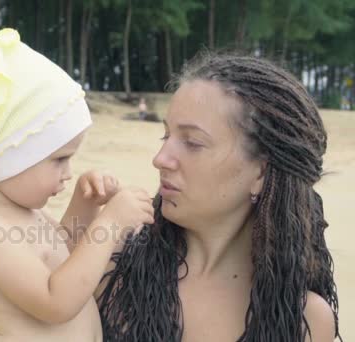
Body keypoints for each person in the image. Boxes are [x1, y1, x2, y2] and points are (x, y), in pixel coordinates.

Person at [97, 53, 341, 341]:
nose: (160, 158)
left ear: (261, 173)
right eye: (166, 137)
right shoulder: (110, 268)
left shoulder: (302, 322)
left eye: (192, 142)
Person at [0, 28, 154, 341]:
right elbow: (55, 301)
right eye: (59, 159)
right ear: (9, 155)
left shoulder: (22, 210)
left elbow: (66, 258)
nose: (68, 172)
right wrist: (109, 223)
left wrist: (86, 203)